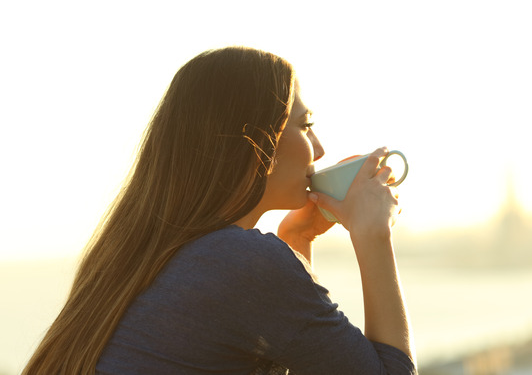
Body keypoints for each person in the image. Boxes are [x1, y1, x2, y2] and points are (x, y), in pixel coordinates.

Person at [22, 46, 416, 374]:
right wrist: (373, 235)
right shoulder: (243, 262)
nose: (320, 149)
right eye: (305, 124)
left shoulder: (132, 254)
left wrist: (297, 241)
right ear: (259, 142)